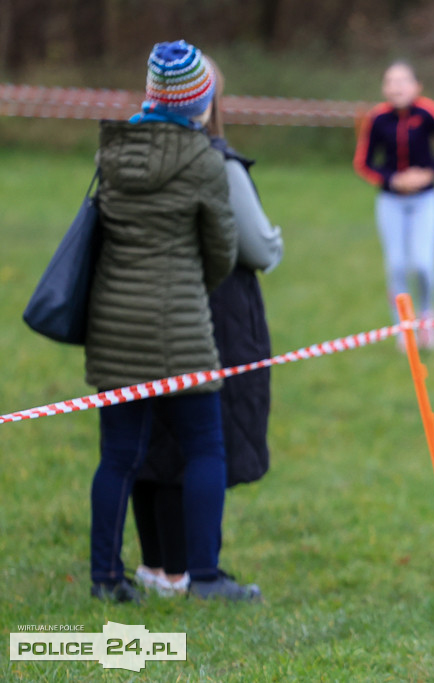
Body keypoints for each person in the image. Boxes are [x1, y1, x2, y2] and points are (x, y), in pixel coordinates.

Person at [87, 39, 253, 602]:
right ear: (197, 102)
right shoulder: (204, 160)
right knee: (205, 447)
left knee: (118, 457)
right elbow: (221, 251)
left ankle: (106, 578)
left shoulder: (111, 150)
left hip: (111, 325)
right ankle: (204, 576)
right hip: (181, 325)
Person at [130, 56, 283, 598]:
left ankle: (158, 566)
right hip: (209, 319)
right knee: (200, 441)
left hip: (134, 314)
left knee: (151, 440)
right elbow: (259, 246)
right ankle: (198, 573)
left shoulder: (129, 152)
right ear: (209, 100)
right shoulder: (217, 162)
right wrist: (277, 237)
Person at [353, 61, 434, 349]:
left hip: (426, 199)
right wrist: (392, 180)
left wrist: (429, 172)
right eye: (391, 81)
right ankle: (404, 326)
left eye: (403, 80)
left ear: (416, 86)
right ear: (384, 88)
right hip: (390, 201)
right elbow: (363, 162)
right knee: (397, 265)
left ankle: (427, 316)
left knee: (423, 264)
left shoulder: (428, 112)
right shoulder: (377, 119)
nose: (397, 86)